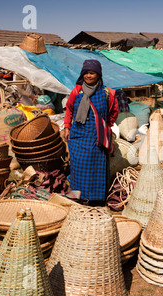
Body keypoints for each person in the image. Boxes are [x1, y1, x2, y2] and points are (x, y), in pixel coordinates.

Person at [63, 59, 119, 206]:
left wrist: (107, 126)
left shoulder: (108, 93)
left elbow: (114, 112)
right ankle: (77, 196)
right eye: (86, 73)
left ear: (98, 74)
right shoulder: (77, 91)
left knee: (96, 167)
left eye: (92, 73)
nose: (89, 76)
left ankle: (95, 200)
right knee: (77, 167)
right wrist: (67, 127)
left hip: (96, 137)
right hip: (78, 136)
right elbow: (69, 109)